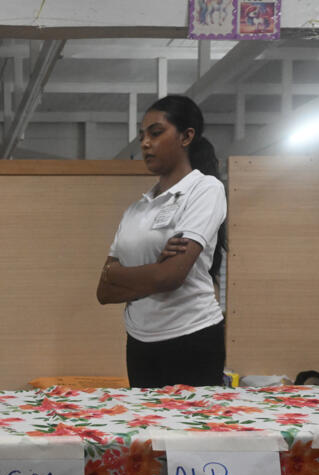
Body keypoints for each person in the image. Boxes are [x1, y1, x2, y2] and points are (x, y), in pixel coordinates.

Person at [96, 94, 227, 389]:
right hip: (139, 342)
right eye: (142, 136)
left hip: (192, 338)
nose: (145, 143)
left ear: (186, 136)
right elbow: (103, 291)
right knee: (146, 420)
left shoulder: (205, 189)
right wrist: (155, 270)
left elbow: (170, 276)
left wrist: (118, 273)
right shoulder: (136, 210)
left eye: (155, 133)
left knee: (192, 421)